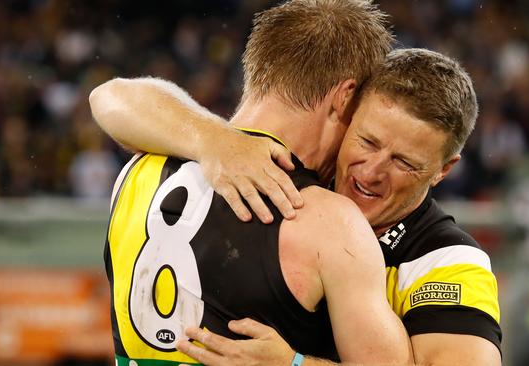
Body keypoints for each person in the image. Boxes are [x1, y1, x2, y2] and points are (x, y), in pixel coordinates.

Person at [93, 47, 502, 365]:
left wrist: (295, 364)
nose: (373, 171)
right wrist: (214, 141)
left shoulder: (446, 260)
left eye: (404, 163)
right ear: (347, 114)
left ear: (443, 171)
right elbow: (113, 96)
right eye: (367, 141)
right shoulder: (292, 185)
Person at [90, 1, 413, 365]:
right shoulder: (329, 222)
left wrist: (213, 139)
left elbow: (110, 95)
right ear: (345, 98)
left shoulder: (137, 171)